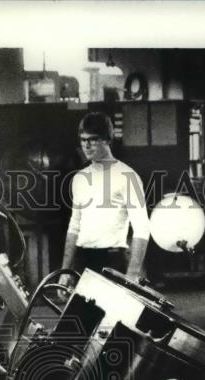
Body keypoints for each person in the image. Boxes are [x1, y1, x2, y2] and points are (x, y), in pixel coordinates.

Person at [60, 112, 150, 280]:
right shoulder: (79, 178)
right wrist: (65, 272)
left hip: (113, 260)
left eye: (93, 139)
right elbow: (74, 226)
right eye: (83, 140)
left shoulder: (127, 176)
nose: (87, 145)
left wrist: (133, 273)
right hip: (83, 260)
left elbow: (142, 228)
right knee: (80, 308)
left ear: (107, 139)